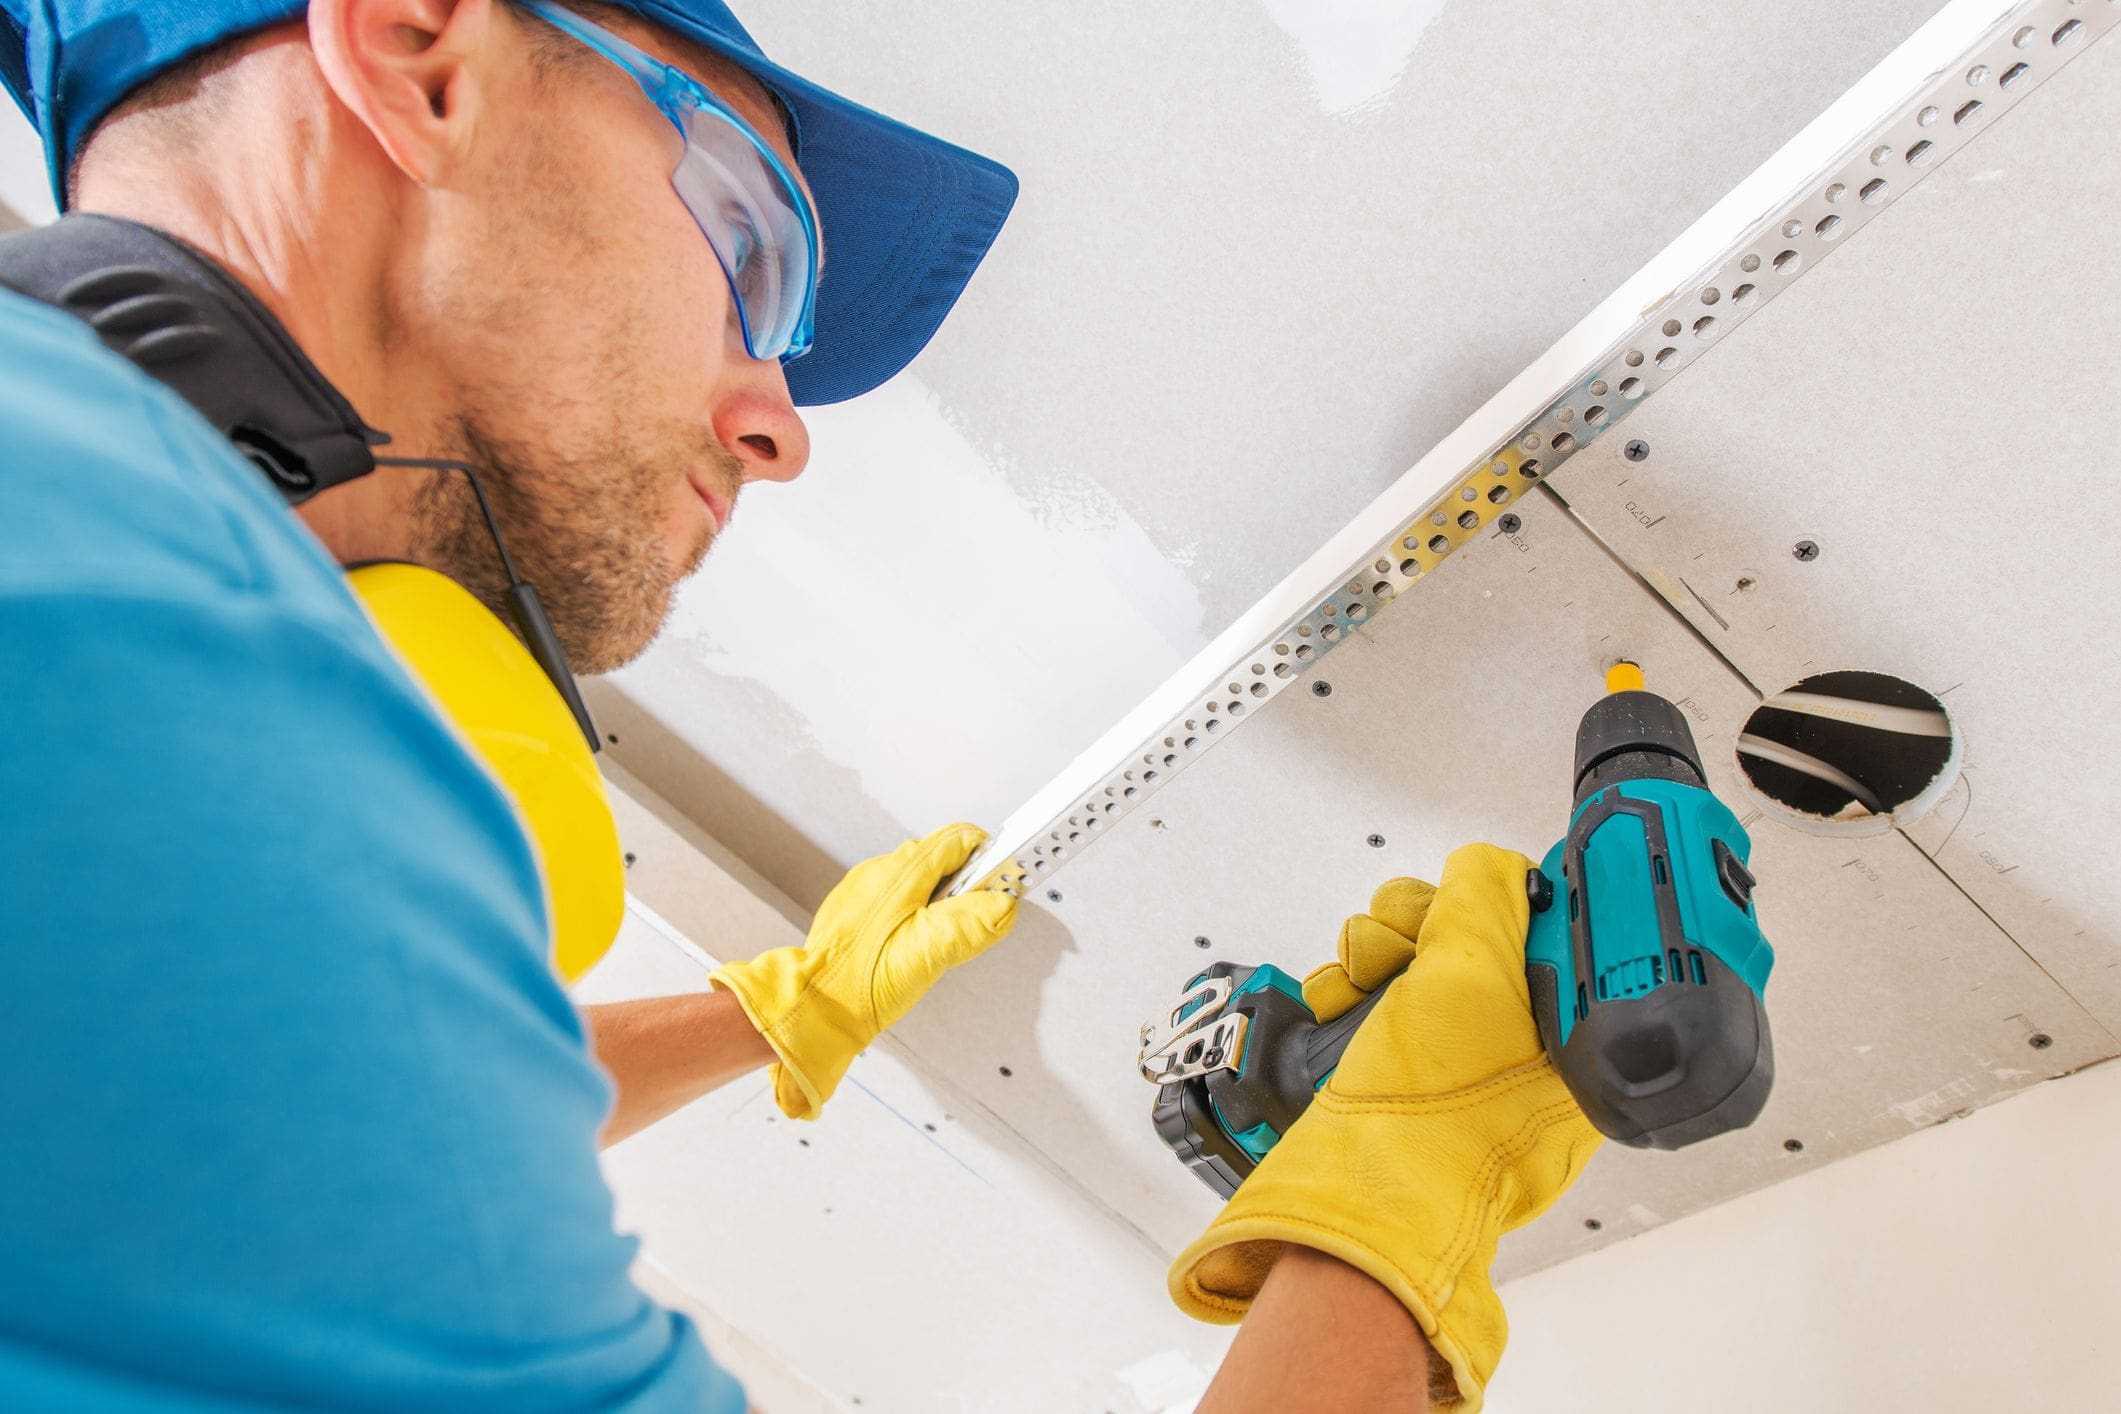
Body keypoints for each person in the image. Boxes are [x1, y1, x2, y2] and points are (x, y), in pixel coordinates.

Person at [0, 1, 1597, 1408]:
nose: (778, 425)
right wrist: (1399, 1202)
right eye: (751, 251)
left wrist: (776, 1010)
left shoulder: (110, 717)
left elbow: (308, 1129)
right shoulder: (107, 673)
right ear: (420, 59)